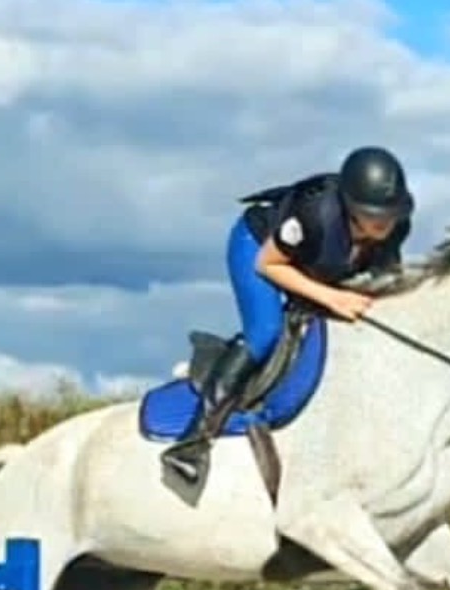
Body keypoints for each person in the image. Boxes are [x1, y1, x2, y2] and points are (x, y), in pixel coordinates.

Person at [161, 145, 415, 484]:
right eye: (375, 214)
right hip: (260, 248)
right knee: (265, 332)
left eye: (391, 212)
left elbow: (385, 277)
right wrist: (331, 297)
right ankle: (192, 442)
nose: (386, 222)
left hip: (316, 263)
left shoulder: (397, 225)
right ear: (351, 208)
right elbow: (269, 265)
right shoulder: (315, 214)